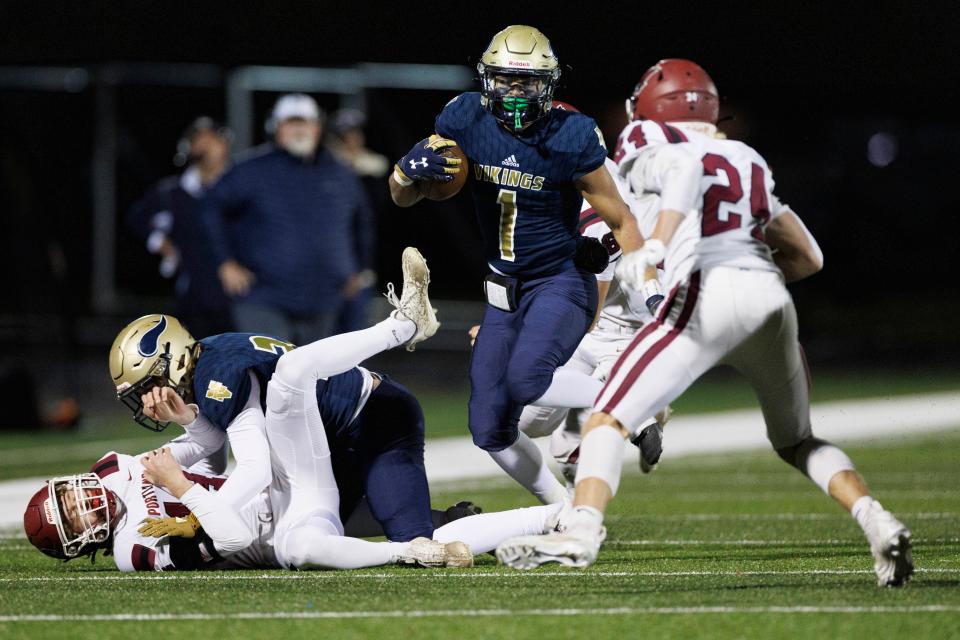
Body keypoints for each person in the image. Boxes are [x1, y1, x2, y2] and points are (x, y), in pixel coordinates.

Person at [496, 59, 914, 588]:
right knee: (797, 440)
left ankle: (581, 530)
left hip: (701, 291)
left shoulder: (647, 143)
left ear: (647, 109)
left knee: (605, 420)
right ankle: (877, 520)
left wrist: (661, 248)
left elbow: (677, 177)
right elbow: (810, 258)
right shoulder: (745, 157)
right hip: (768, 296)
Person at [389, 26, 659, 507]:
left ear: (548, 84)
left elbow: (620, 218)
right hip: (501, 285)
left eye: (528, 82)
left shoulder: (570, 133)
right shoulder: (464, 118)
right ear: (486, 80)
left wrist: (651, 285)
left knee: (526, 380)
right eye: (506, 81)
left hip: (559, 278)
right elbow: (405, 197)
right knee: (488, 426)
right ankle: (562, 511)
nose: (516, 93)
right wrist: (402, 173)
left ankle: (635, 403)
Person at [201, 94, 373, 343]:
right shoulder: (251, 170)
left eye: (305, 122)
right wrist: (225, 263)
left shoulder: (341, 172)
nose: (299, 129)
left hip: (324, 299)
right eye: (291, 123)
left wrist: (358, 268)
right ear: (276, 128)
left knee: (316, 377)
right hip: (264, 297)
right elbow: (210, 208)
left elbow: (362, 223)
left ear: (317, 127)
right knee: (269, 371)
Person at [126, 117, 233, 338]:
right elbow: (137, 218)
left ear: (224, 144)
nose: (206, 146)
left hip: (239, 297)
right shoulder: (173, 193)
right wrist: (160, 242)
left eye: (211, 140)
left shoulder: (240, 188)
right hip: (193, 295)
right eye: (199, 140)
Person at [327, 108, 386, 333]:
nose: (352, 141)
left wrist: (360, 268)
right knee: (321, 339)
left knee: (354, 336)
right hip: (328, 267)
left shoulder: (370, 171)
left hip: (359, 264)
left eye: (355, 134)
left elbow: (371, 217)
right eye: (344, 136)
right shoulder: (322, 171)